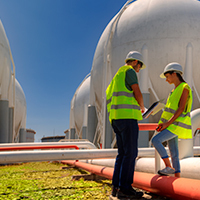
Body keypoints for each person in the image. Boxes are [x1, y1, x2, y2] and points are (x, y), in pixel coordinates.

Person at [106, 51, 146, 199]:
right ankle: (125, 188)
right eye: (140, 66)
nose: (139, 69)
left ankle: (116, 187)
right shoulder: (129, 71)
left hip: (116, 119)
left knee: (122, 154)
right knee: (131, 154)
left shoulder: (116, 77)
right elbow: (137, 92)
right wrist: (142, 107)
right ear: (135, 62)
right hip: (128, 118)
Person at [151, 62, 193, 178]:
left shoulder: (184, 88)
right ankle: (177, 177)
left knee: (155, 140)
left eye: (167, 76)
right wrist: (162, 124)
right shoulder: (173, 91)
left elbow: (180, 108)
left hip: (176, 125)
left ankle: (169, 167)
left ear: (174, 74)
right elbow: (169, 111)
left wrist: (167, 123)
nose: (166, 80)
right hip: (171, 125)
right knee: (174, 152)